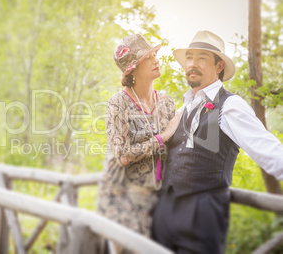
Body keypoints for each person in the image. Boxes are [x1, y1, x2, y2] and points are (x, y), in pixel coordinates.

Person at [152, 30, 283, 254]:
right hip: (164, 211)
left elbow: (269, 150)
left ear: (219, 66)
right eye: (190, 57)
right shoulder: (182, 108)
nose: (192, 64)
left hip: (202, 215)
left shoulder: (231, 105)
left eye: (202, 58)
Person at [97, 34, 180, 253]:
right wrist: (162, 137)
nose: (156, 59)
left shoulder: (167, 102)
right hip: (121, 195)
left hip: (158, 195)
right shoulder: (118, 102)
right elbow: (122, 155)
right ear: (133, 69)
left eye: (154, 54)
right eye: (148, 57)